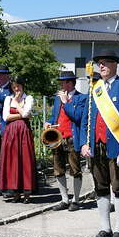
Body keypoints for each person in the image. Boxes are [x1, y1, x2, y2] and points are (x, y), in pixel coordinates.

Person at [80, 49, 119, 237]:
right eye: (100, 63)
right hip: (96, 147)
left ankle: (118, 230)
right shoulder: (95, 88)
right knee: (100, 188)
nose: (102, 66)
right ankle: (105, 228)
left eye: (106, 62)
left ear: (116, 65)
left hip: (118, 147)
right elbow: (86, 120)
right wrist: (84, 142)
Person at [44, 71, 87, 212]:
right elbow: (54, 116)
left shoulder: (81, 98)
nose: (61, 85)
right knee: (58, 169)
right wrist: (48, 122)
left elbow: (78, 117)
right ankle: (64, 199)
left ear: (70, 83)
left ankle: (76, 200)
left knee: (75, 169)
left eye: (63, 82)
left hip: (72, 138)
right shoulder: (58, 99)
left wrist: (66, 102)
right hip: (57, 137)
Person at [0, 75, 35, 203]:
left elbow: (26, 113)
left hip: (23, 132)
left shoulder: (29, 98)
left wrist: (18, 103)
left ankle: (26, 193)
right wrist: (21, 114)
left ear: (23, 86)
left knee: (25, 160)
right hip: (11, 133)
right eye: (14, 87)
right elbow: (5, 117)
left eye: (18, 86)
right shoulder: (8, 99)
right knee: (13, 160)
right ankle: (15, 193)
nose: (16, 89)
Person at [0, 65, 12, 197]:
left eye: (1, 74)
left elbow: (6, 102)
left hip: (6, 127)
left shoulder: (11, 89)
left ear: (7, 76)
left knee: (8, 158)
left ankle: (8, 187)